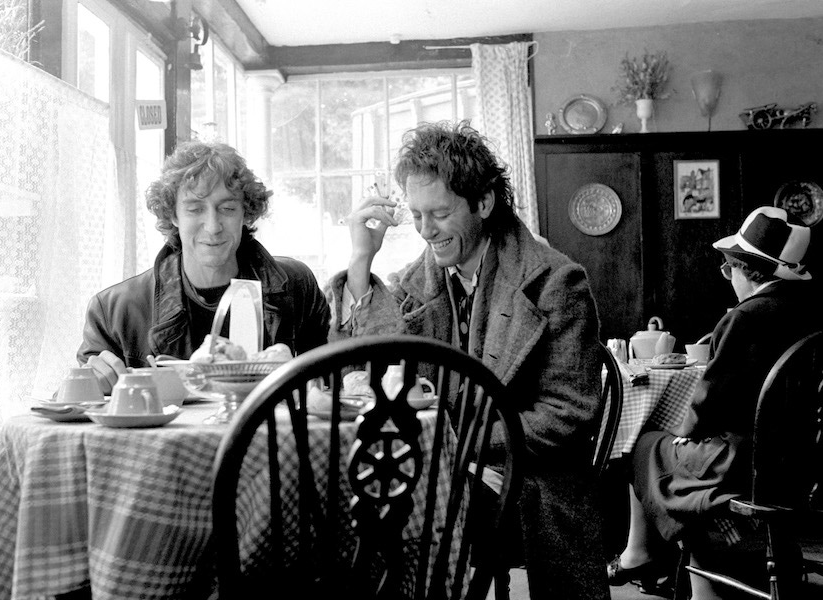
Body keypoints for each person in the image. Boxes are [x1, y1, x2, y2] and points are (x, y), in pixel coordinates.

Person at [326, 120, 609, 599]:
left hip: (530, 482)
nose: (424, 230)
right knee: (354, 502)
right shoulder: (423, 278)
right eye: (415, 214)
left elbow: (568, 414)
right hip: (448, 466)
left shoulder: (556, 282)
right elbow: (366, 364)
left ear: (483, 202)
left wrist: (457, 443)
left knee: (387, 509)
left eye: (438, 213)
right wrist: (360, 259)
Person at [608, 206, 819, 598]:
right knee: (674, 452)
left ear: (747, 270)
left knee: (642, 445)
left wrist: (687, 432)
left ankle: (643, 555)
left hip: (744, 465)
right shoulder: (810, 311)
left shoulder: (745, 317)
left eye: (729, 269)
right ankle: (707, 570)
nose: (729, 278)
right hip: (802, 464)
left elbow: (710, 403)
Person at [78, 141, 330, 394]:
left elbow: (333, 387)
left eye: (227, 208)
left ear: (246, 213)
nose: (213, 226)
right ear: (173, 215)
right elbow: (70, 409)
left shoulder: (296, 287)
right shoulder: (113, 309)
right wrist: (93, 385)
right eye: (195, 209)